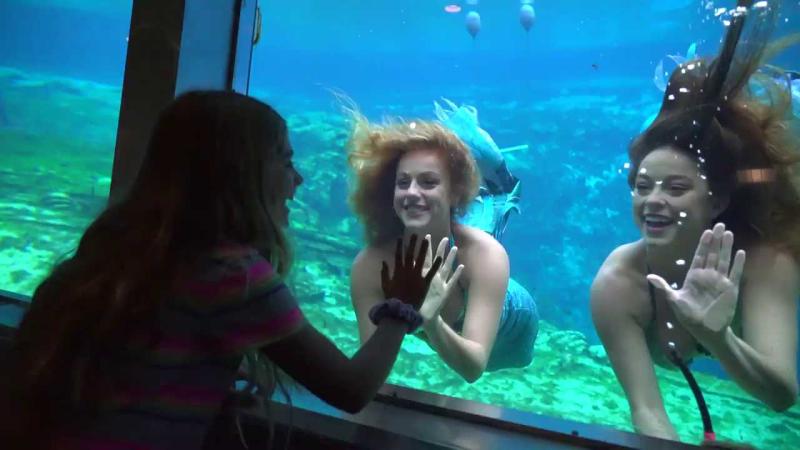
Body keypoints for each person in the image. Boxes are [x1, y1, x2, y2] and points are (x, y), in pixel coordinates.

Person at [0, 90, 443, 450]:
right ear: (242, 174)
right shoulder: (235, 276)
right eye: (286, 161)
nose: (299, 179)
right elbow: (350, 389)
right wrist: (400, 306)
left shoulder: (121, 249)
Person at [590, 0, 800, 442]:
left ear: (718, 199)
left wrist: (718, 336)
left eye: (676, 189)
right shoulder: (618, 283)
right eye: (642, 186)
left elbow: (781, 395)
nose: (653, 201)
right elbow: (646, 411)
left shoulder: (766, 261)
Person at [347, 113, 539, 383]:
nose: (411, 192)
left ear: (453, 192)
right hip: (457, 248)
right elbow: (370, 369)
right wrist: (419, 319)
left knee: (520, 360)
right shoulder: (370, 266)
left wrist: (432, 321)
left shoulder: (485, 254)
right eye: (403, 182)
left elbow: (473, 369)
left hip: (516, 321)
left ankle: (500, 181)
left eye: (428, 182)